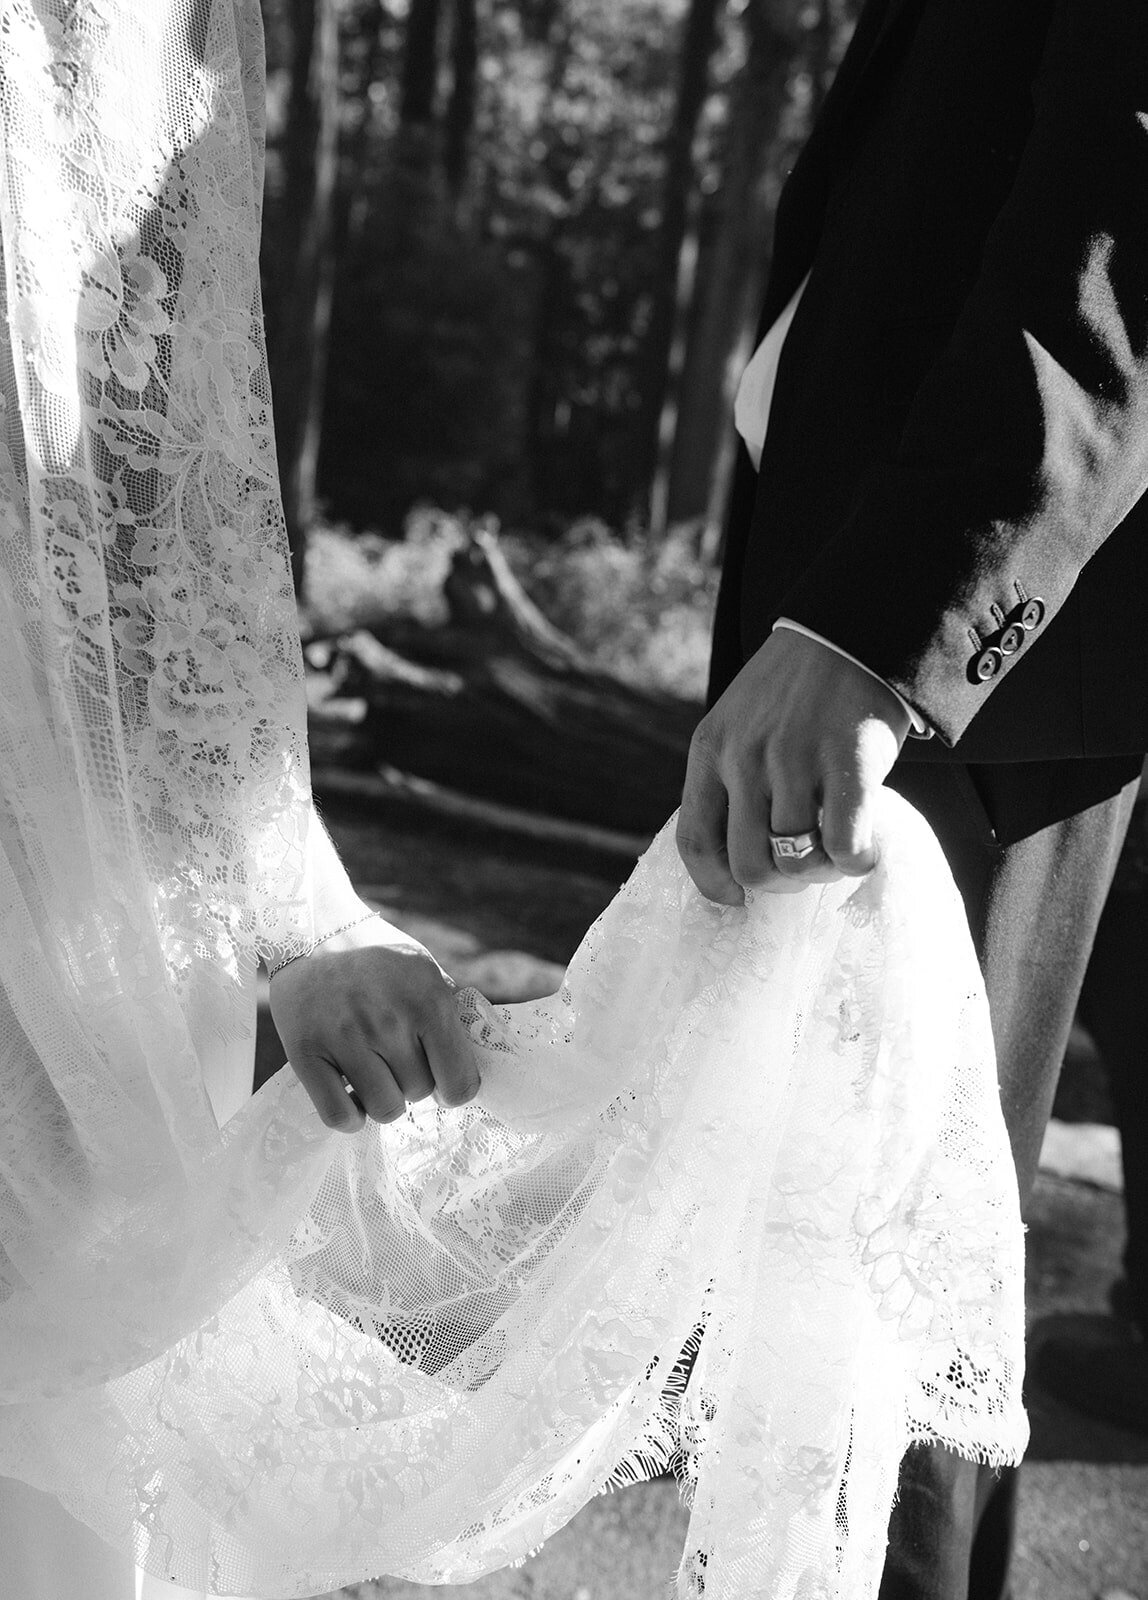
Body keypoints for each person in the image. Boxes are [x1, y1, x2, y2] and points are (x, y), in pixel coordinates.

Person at [680, 2, 1148, 1596]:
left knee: (879, 1344)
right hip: (877, 631)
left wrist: (888, 631)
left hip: (950, 672)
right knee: (825, 1323)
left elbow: (1122, 196)